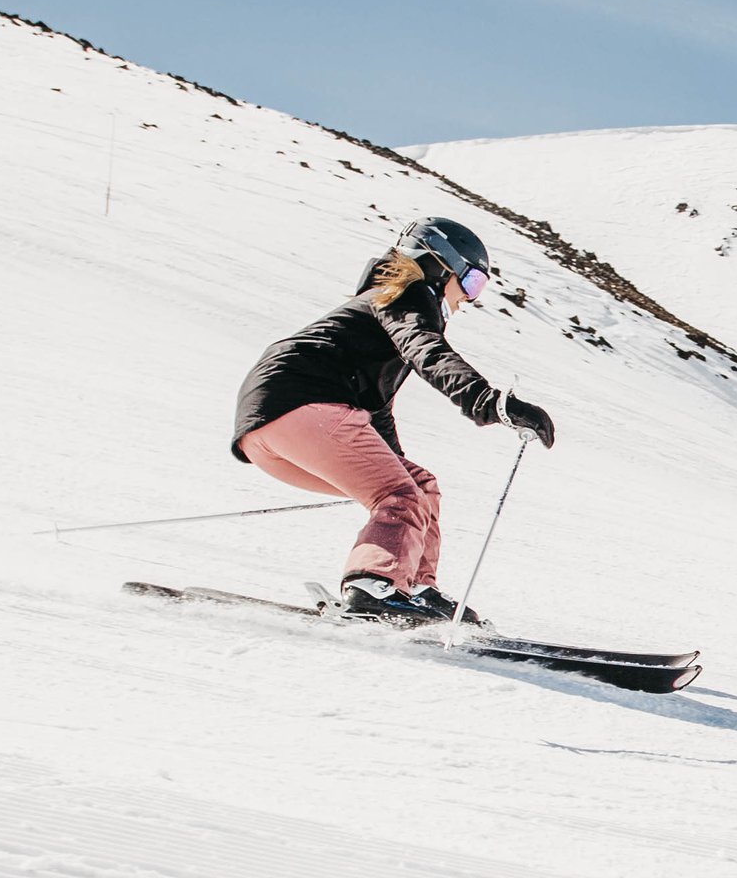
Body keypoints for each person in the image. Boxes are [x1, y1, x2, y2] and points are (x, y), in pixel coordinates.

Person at [230, 217, 554, 623]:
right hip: (302, 405)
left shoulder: (380, 309)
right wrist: (491, 404)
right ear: (441, 266)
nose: (469, 299)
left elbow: (377, 408)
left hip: (275, 426)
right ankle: (372, 585)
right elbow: (428, 351)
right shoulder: (404, 295)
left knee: (419, 486)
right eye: (472, 282)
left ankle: (414, 587)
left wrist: (395, 462)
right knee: (400, 495)